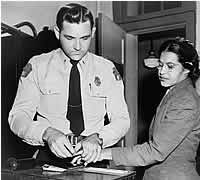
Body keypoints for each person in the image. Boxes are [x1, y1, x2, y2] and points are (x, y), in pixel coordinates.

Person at [8, 3, 130, 167]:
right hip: (49, 161)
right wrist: (47, 133)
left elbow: (122, 120)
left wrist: (99, 137)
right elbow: (18, 117)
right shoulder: (37, 66)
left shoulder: (107, 69)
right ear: (58, 32)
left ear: (92, 33)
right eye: (70, 38)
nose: (78, 47)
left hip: (93, 160)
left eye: (85, 38)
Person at [78, 37, 200, 180]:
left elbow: (155, 151)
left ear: (187, 69)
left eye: (170, 66)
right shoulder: (174, 93)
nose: (161, 71)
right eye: (160, 65)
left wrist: (101, 153)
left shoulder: (185, 100)